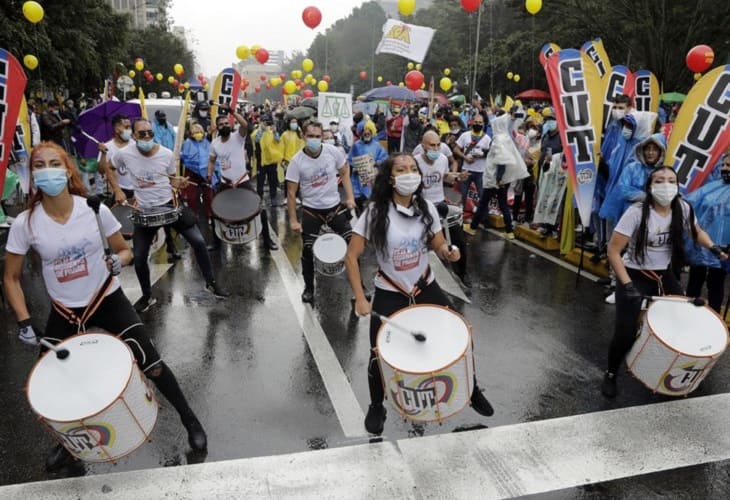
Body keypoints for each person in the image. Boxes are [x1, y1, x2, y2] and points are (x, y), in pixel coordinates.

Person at [3, 142, 207, 471]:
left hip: (106, 298)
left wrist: (118, 260)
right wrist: (25, 321)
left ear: (67, 170)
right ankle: (68, 445)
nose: (47, 170)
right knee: (52, 382)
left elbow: (123, 250)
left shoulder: (93, 209)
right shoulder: (25, 224)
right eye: (39, 165)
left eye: (54, 163)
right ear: (33, 174)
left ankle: (190, 420)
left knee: (151, 363)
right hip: (66, 311)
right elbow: (11, 278)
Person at [344, 153, 494, 434]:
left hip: (425, 285)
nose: (409, 173)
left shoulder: (426, 207)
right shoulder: (375, 212)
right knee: (378, 352)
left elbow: (437, 244)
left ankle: (471, 388)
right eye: (402, 170)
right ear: (390, 178)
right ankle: (377, 406)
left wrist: (448, 252)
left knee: (462, 333)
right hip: (391, 289)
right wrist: (361, 298)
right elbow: (351, 257)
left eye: (413, 169)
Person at [601, 166, 727, 398]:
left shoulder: (683, 207)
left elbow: (696, 231)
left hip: (663, 275)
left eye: (671, 180)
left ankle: (665, 369)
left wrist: (713, 247)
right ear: (650, 186)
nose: (666, 185)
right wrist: (627, 285)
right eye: (659, 180)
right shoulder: (637, 212)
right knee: (625, 332)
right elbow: (613, 251)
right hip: (634, 274)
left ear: (678, 186)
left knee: (680, 318)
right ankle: (611, 373)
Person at [115, 118, 227, 313]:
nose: (147, 136)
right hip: (145, 211)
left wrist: (180, 184)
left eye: (150, 132)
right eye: (142, 133)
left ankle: (211, 283)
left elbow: (172, 182)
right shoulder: (124, 154)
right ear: (133, 136)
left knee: (199, 242)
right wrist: (116, 189)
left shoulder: (166, 155)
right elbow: (107, 167)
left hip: (169, 206)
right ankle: (147, 296)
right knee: (140, 258)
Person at [286, 121, 356, 303]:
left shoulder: (333, 152)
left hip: (334, 207)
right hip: (311, 211)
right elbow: (291, 193)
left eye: (318, 136)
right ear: (303, 137)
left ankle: (358, 288)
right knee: (308, 250)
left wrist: (350, 197)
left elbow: (345, 172)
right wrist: (293, 220)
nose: (315, 140)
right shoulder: (296, 162)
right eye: (311, 136)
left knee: (352, 244)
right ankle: (309, 288)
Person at [207, 110, 279, 251]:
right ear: (217, 127)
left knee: (260, 209)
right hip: (225, 183)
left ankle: (267, 241)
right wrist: (209, 174)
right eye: (221, 124)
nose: (224, 125)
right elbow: (211, 161)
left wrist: (232, 112)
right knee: (215, 211)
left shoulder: (238, 137)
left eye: (227, 123)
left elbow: (245, 124)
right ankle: (216, 243)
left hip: (242, 182)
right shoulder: (214, 143)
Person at [415, 130, 471, 286]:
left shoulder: (442, 159)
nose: (435, 149)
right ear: (423, 146)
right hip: (422, 208)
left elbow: (444, 175)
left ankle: (462, 274)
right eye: (431, 145)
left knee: (459, 239)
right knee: (420, 245)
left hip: (440, 205)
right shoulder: (415, 162)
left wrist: (457, 176)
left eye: (438, 145)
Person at [684, 153, 730, 313]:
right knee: (695, 281)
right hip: (703, 243)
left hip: (723, 248)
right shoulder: (713, 186)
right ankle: (687, 313)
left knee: (716, 283)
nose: (724, 168)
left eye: (728, 165)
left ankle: (714, 319)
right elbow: (690, 203)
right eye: (723, 165)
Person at [180, 123, 215, 235]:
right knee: (192, 197)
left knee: (208, 195)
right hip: (192, 173)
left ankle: (210, 215)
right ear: (190, 134)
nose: (198, 134)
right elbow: (185, 158)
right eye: (195, 132)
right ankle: (193, 216)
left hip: (205, 173)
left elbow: (212, 157)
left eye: (199, 132)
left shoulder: (207, 143)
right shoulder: (187, 143)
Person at [348, 120, 388, 214]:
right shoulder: (356, 146)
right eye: (364, 131)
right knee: (360, 210)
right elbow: (350, 161)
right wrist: (355, 168)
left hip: (372, 182)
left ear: (372, 132)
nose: (366, 133)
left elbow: (385, 158)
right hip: (358, 182)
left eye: (368, 131)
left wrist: (377, 163)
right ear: (360, 132)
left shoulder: (377, 145)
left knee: (373, 210)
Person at [453, 112, 491, 211]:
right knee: (462, 195)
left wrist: (481, 155)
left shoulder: (487, 139)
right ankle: (461, 216)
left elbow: (490, 154)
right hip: (466, 170)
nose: (477, 124)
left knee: (482, 196)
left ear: (483, 124)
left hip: (480, 172)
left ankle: (483, 218)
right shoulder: (465, 135)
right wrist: (465, 157)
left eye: (480, 122)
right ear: (472, 122)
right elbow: (456, 149)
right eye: (476, 122)